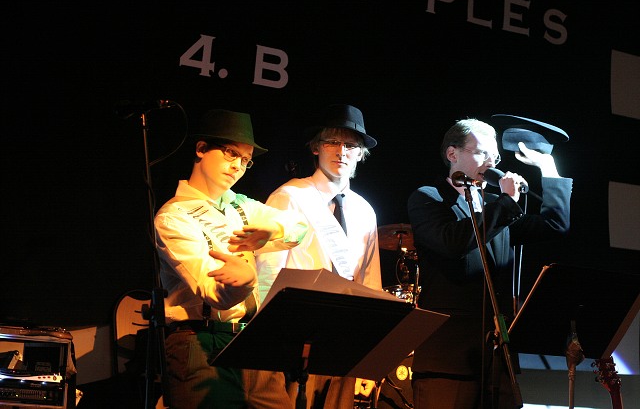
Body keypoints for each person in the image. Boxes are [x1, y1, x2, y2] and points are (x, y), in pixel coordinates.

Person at [407, 117, 572, 409]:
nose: (490, 162)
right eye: (482, 152)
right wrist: (506, 202)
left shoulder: (497, 207)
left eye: (494, 157)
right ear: (452, 153)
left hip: (497, 360)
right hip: (450, 361)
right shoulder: (429, 198)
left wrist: (548, 167)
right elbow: (454, 242)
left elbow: (555, 224)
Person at [154, 108, 308, 409]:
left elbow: (300, 228)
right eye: (230, 153)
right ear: (201, 149)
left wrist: (272, 230)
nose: (237, 166)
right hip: (201, 342)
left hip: (251, 342)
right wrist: (246, 281)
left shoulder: (241, 205)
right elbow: (214, 294)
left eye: (245, 160)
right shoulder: (173, 217)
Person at [255, 104, 382, 409]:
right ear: (315, 147)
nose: (341, 151)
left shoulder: (365, 210)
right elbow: (266, 272)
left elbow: (370, 282)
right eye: (332, 142)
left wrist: (369, 350)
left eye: (351, 145)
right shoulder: (290, 196)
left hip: (343, 338)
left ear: (361, 153)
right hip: (295, 333)